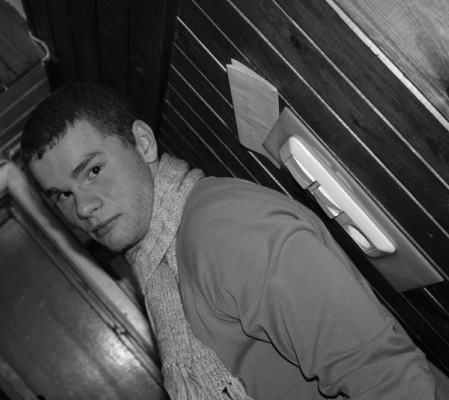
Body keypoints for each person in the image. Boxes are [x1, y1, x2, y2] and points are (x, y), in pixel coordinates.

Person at [20, 83, 440, 399]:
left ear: (143, 144)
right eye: (62, 196)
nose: (84, 207)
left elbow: (384, 375)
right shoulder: (162, 265)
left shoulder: (221, 227)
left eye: (93, 171)